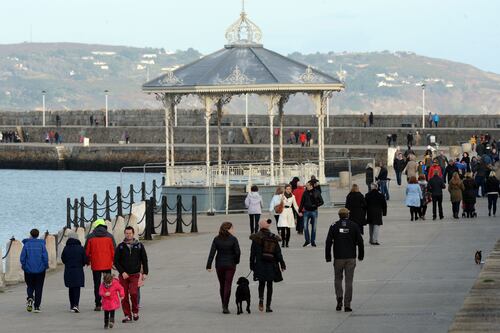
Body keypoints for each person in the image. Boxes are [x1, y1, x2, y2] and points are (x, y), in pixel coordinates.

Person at [325, 208, 364, 312]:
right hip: (351, 258)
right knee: (349, 281)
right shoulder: (354, 225)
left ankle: (339, 298)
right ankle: (347, 304)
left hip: (338, 258)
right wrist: (361, 255)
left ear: (339, 215)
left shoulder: (334, 226)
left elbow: (328, 241)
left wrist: (328, 256)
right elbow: (360, 241)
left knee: (337, 279)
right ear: (348, 215)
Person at [249, 219, 286, 313]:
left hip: (260, 264)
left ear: (260, 226)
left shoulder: (255, 238)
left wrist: (251, 265)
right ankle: (268, 306)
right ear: (268, 227)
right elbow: (278, 253)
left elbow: (252, 253)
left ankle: (261, 299)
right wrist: (282, 264)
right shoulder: (273, 237)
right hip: (271, 264)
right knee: (270, 285)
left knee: (261, 283)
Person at [114, 226, 149, 322]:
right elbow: (116, 262)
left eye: (130, 233)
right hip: (124, 275)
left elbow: (144, 259)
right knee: (123, 295)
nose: (128, 235)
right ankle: (127, 315)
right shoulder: (120, 246)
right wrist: (122, 272)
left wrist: (145, 272)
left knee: (133, 293)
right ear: (124, 234)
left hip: (135, 274)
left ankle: (135, 312)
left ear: (133, 234)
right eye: (126, 233)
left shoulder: (139, 245)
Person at [206, 222, 241, 314]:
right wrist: (236, 261)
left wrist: (208, 265)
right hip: (231, 265)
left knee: (222, 285)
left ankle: (223, 304)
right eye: (232, 228)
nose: (233, 230)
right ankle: (226, 305)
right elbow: (238, 252)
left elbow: (212, 253)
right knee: (228, 284)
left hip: (220, 265)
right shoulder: (233, 239)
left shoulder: (217, 239)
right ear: (228, 229)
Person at [85, 219, 116, 311]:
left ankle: (98, 304)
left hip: (96, 264)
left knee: (97, 284)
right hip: (107, 264)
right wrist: (114, 262)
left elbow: (86, 251)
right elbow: (114, 250)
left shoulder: (90, 237)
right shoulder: (110, 236)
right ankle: (109, 302)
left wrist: (87, 261)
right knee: (108, 283)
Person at [20, 228, 48, 313]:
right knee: (39, 287)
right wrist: (45, 266)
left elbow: (22, 258)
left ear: (31, 235)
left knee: (30, 286)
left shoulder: (26, 245)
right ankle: (37, 307)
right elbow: (45, 257)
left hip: (28, 270)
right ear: (38, 235)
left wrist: (24, 266)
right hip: (40, 270)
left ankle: (30, 297)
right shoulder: (42, 245)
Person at [61, 231, 86, 313]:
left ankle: (72, 305)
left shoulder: (66, 248)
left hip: (68, 270)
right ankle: (76, 305)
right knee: (77, 288)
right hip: (78, 270)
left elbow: (63, 259)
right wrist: (81, 264)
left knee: (71, 288)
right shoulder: (81, 248)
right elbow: (85, 260)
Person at [299, 181, 324, 247]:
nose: (306, 186)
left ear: (311, 186)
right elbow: (302, 202)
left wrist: (315, 205)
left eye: (307, 185)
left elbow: (322, 202)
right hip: (306, 211)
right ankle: (307, 241)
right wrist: (300, 211)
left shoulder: (317, 192)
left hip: (314, 212)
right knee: (305, 227)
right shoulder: (305, 193)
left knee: (314, 227)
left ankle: (313, 241)